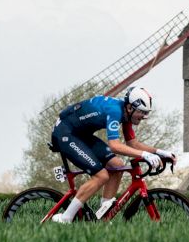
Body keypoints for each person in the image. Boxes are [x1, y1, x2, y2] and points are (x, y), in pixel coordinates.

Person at [49, 86, 177, 223]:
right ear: (129, 107)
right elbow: (114, 145)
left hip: (82, 135)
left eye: (146, 113)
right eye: (141, 112)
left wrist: (160, 152)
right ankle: (65, 218)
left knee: (117, 166)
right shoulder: (115, 111)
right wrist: (145, 155)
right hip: (65, 134)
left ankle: (103, 217)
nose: (144, 117)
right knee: (101, 176)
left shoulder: (126, 114)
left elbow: (133, 144)